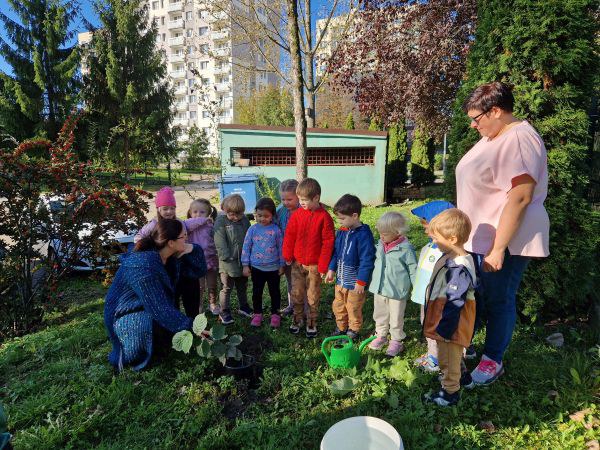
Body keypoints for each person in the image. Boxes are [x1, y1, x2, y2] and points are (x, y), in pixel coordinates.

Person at [457, 81, 549, 385]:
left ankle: (493, 360)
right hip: (482, 235)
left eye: (477, 118)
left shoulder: (519, 139)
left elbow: (521, 195)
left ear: (496, 110)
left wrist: (498, 248)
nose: (473, 125)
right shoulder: (494, 135)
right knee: (480, 296)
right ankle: (470, 348)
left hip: (504, 239)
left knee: (499, 298)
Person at [104, 219, 206, 372]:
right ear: (170, 242)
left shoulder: (169, 256)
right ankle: (135, 350)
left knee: (189, 281)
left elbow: (199, 271)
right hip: (126, 314)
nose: (187, 238)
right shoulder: (142, 265)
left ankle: (164, 337)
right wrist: (192, 327)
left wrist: (192, 248)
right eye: (184, 236)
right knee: (146, 325)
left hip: (148, 306)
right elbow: (159, 308)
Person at [423, 209, 477, 407]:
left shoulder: (458, 267)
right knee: (454, 355)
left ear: (452, 238)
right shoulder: (457, 257)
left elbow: (455, 301)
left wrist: (445, 327)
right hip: (449, 318)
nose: (434, 242)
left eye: (436, 238)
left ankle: (449, 392)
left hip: (451, 321)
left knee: (447, 356)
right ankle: (463, 378)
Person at [282, 178, 335, 338]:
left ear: (316, 198)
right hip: (297, 264)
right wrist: (287, 255)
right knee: (296, 292)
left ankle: (312, 321)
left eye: (304, 200)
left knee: (313, 295)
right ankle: (297, 319)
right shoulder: (297, 215)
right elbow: (290, 236)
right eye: (300, 200)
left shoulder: (325, 217)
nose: (301, 203)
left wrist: (323, 266)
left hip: (315, 266)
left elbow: (328, 242)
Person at [410, 200, 455, 372]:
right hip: (426, 297)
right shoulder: (430, 246)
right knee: (428, 324)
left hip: (437, 299)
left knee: (435, 326)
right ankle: (436, 354)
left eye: (427, 225)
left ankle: (435, 358)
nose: (424, 229)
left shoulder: (446, 252)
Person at [325, 194, 375, 340]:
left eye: (342, 218)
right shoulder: (342, 231)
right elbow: (336, 253)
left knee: (353, 307)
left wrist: (361, 281)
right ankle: (341, 327)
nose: (339, 222)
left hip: (355, 284)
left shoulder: (364, 235)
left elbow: (367, 259)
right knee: (338, 305)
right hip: (340, 281)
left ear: (354, 216)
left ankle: (353, 329)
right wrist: (331, 269)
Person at [367, 212, 417, 357]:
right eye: (380, 233)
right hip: (380, 287)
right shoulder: (380, 245)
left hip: (397, 290)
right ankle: (381, 334)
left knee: (396, 316)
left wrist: (416, 288)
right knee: (380, 313)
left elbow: (413, 269)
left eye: (385, 234)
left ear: (397, 232)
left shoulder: (406, 249)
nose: (381, 236)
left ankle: (396, 339)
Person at [241, 197, 285, 328]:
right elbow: (246, 247)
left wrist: (282, 264)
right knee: (257, 292)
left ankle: (275, 314)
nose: (262, 219)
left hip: (273, 269)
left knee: (275, 292)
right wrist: (245, 265)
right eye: (259, 215)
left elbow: (281, 248)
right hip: (256, 268)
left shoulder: (276, 230)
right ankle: (257, 313)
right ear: (255, 213)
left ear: (272, 215)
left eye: (266, 216)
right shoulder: (252, 230)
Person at [214, 194, 252, 325]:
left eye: (238, 214)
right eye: (231, 214)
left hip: (243, 261)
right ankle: (224, 310)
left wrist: (249, 257)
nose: (235, 217)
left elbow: (249, 237)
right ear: (225, 210)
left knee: (242, 285)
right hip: (227, 262)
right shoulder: (221, 221)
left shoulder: (245, 221)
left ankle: (244, 306)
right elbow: (219, 241)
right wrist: (226, 257)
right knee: (227, 287)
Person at [275, 179, 306, 318]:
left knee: (302, 282)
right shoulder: (280, 211)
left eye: (289, 199)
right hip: (286, 254)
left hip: (301, 255)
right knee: (290, 281)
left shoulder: (304, 210)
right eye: (283, 199)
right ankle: (291, 305)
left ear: (298, 196)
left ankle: (305, 308)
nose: (286, 202)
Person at [187, 198, 219, 316]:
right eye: (195, 212)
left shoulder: (210, 225)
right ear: (190, 213)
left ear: (208, 213)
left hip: (211, 259)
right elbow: (191, 223)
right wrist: (202, 220)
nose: (198, 215)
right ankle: (199, 305)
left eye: (202, 212)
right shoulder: (188, 225)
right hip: (196, 262)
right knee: (199, 287)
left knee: (212, 284)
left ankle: (212, 303)